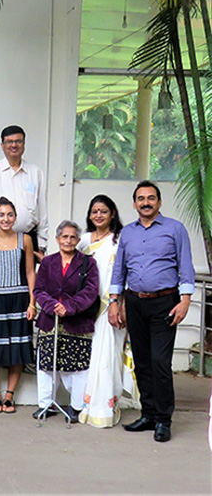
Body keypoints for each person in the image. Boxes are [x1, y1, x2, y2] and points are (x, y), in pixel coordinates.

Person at [109, 181, 195, 442]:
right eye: (140, 199)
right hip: (134, 303)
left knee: (160, 362)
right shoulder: (128, 233)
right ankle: (148, 415)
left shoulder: (175, 229)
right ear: (134, 204)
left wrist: (186, 300)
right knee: (142, 361)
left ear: (159, 202)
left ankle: (163, 419)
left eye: (151, 198)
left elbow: (186, 265)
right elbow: (119, 269)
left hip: (165, 303)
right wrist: (115, 300)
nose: (146, 202)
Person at [78, 194, 136, 427]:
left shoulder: (120, 239)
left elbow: (128, 272)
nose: (99, 215)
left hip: (112, 306)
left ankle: (107, 407)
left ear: (112, 213)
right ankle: (90, 405)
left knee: (109, 355)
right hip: (89, 307)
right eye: (95, 211)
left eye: (103, 211)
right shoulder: (83, 240)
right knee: (92, 358)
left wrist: (121, 304)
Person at [33, 221, 99, 422]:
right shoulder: (47, 262)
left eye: (72, 237)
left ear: (78, 240)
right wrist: (53, 306)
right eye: (64, 236)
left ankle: (76, 406)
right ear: (57, 239)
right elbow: (38, 290)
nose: (68, 240)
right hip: (49, 320)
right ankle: (46, 404)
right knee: (46, 365)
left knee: (76, 367)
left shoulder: (88, 263)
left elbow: (91, 291)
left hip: (76, 322)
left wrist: (68, 307)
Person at [0, 197, 36, 414]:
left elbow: (30, 272)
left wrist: (32, 302)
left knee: (17, 347)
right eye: (1, 215)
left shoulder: (25, 239)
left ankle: (10, 394)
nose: (6, 219)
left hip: (19, 300)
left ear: (15, 217)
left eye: (10, 214)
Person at [0, 125, 48, 256]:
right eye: (9, 141)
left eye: (18, 141)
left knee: (27, 276)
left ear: (24, 144)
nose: (14, 145)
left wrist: (42, 244)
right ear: (2, 145)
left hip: (28, 239)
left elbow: (42, 211)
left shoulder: (35, 173)